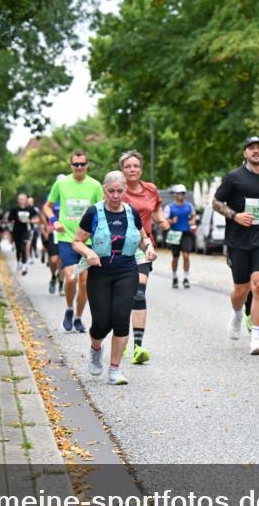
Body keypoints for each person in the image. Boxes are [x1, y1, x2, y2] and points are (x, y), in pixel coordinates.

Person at [71, 171, 157, 386]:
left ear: (125, 191)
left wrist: (148, 247)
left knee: (120, 321)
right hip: (100, 272)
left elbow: (142, 237)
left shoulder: (131, 213)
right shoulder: (93, 213)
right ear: (104, 191)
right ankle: (96, 349)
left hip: (127, 270)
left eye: (120, 191)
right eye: (111, 191)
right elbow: (77, 241)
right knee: (101, 323)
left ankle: (114, 369)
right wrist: (88, 253)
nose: (116, 195)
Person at [213, 136, 259, 355]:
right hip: (238, 240)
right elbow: (216, 202)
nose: (256, 151)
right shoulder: (234, 177)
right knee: (241, 290)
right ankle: (237, 313)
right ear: (245, 153)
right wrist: (235, 215)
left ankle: (256, 337)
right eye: (251, 148)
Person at [44, 150, 103, 333]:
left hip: (87, 242)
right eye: (75, 164)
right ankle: (69, 309)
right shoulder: (61, 184)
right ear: (70, 166)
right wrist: (55, 221)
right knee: (70, 278)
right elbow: (47, 206)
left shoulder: (95, 185)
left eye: (82, 164)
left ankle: (78, 317)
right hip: (67, 239)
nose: (79, 167)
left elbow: (102, 209)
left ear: (87, 165)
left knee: (84, 281)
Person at [119, 150, 170, 364]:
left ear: (141, 168)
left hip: (144, 245)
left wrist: (162, 221)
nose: (132, 170)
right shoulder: (116, 190)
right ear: (122, 169)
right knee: (122, 296)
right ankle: (119, 340)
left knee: (139, 293)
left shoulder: (150, 189)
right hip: (119, 247)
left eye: (136, 166)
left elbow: (155, 209)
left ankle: (138, 347)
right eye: (128, 166)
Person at [164, 184, 197, 288]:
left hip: (186, 233)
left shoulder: (189, 205)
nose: (182, 195)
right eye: (179, 193)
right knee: (175, 258)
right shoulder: (169, 207)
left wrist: (192, 221)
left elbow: (193, 216)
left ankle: (186, 278)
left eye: (183, 193)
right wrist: (171, 221)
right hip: (175, 234)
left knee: (186, 256)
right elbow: (164, 221)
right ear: (175, 194)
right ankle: (174, 277)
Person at [8, 192, 40, 275]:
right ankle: (19, 262)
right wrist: (16, 218)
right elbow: (9, 219)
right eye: (19, 199)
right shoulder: (14, 209)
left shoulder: (30, 209)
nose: (21, 201)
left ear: (26, 200)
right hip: (17, 231)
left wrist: (30, 220)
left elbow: (38, 219)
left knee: (24, 247)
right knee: (18, 248)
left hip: (26, 230)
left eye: (23, 199)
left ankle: (24, 265)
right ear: (18, 200)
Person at [41, 198, 63, 295]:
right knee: (54, 260)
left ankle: (61, 285)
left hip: (66, 233)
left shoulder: (71, 197)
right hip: (53, 233)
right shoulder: (52, 198)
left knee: (62, 261)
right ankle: (53, 277)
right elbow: (43, 212)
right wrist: (46, 227)